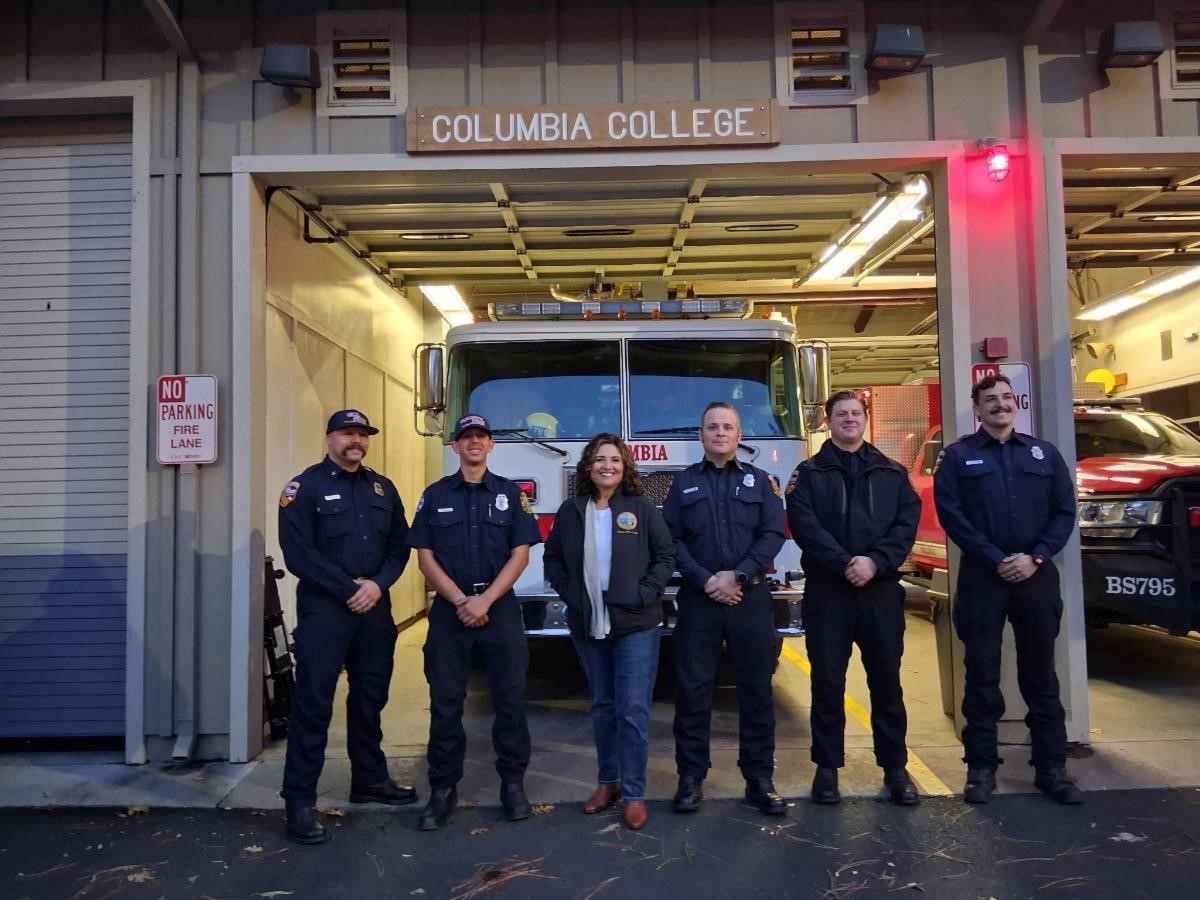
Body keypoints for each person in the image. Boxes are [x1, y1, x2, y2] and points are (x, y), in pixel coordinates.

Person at [933, 374, 1083, 805]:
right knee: (981, 676)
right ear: (976, 409)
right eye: (989, 399)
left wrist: (1035, 556)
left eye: (1005, 398)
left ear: (1014, 405)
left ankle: (1051, 770)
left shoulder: (1044, 454)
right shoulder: (958, 457)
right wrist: (996, 557)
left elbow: (1064, 512)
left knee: (1041, 676)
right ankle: (981, 770)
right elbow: (952, 515)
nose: (999, 405)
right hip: (984, 579)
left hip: (1036, 577)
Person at [277, 409, 416, 845]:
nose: (355, 440)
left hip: (374, 608)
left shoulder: (383, 488)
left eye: (362, 434)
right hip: (326, 610)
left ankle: (369, 779)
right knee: (313, 704)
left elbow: (400, 546)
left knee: (371, 696)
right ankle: (299, 801)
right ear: (329, 438)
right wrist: (347, 589)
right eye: (347, 433)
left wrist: (376, 584)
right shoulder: (304, 489)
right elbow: (298, 554)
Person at [785, 391, 922, 806]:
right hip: (829, 593)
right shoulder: (808, 474)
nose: (849, 419)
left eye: (855, 413)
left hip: (879, 592)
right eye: (840, 414)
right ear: (828, 421)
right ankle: (827, 770)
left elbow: (905, 526)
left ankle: (895, 768)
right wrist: (847, 562)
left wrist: (875, 563)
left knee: (886, 682)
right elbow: (805, 526)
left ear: (866, 419)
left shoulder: (892, 474)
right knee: (827, 682)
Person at [408, 413, 542, 830]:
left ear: (491, 445)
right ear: (455, 447)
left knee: (510, 702)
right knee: (446, 705)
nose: (474, 443)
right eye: (466, 438)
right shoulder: (434, 495)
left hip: (498, 608)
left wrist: (484, 600)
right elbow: (425, 557)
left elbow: (521, 553)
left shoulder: (510, 494)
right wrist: (461, 600)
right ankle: (443, 789)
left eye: (481, 437)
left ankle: (512, 785)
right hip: (451, 611)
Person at [543, 434, 675, 831]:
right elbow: (552, 559)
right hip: (588, 621)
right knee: (602, 706)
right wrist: (573, 596)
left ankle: (634, 794)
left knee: (632, 710)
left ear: (625, 467)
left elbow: (665, 555)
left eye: (615, 460)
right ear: (588, 466)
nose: (607, 466)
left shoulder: (641, 508)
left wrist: (644, 593)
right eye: (599, 459)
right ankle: (608, 783)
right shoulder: (571, 510)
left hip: (636, 622)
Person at [662, 402, 787, 817]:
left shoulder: (760, 481)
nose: (720, 433)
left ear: (738, 435)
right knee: (693, 692)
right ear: (701, 435)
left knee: (756, 691)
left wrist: (739, 575)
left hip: (749, 598)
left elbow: (773, 533)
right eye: (712, 427)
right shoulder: (681, 485)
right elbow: (671, 541)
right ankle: (691, 778)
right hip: (699, 600)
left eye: (728, 427)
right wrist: (706, 580)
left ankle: (759, 780)